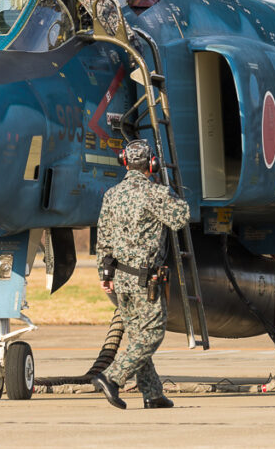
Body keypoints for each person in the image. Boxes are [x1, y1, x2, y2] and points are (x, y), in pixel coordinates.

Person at [92, 139, 190, 410]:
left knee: (137, 336)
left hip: (120, 279)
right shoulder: (153, 193)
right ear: (152, 164)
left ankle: (153, 393)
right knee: (152, 334)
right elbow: (181, 218)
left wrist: (105, 272)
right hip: (145, 279)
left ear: (124, 161)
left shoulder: (112, 194)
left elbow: (103, 237)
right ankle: (112, 377)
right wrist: (173, 190)